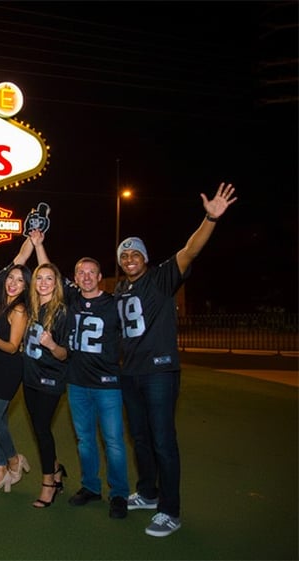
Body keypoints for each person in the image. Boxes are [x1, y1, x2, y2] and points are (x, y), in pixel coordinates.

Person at [116, 182, 237, 537]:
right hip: (131, 373)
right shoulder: (122, 288)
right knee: (139, 437)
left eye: (134, 254)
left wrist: (210, 219)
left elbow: (190, 250)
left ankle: (171, 510)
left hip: (159, 372)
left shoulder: (161, 277)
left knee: (163, 440)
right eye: (123, 256)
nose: (129, 259)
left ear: (145, 258)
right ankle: (149, 493)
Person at [64, 257, 129, 519]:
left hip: (107, 384)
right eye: (82, 273)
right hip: (77, 383)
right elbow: (49, 274)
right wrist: (37, 244)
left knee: (113, 442)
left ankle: (119, 494)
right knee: (85, 441)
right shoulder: (71, 299)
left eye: (92, 272)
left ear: (100, 276)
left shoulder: (114, 304)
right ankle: (91, 486)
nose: (87, 277)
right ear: (76, 278)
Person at [0, 263, 32, 495]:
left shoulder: (19, 309)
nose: (12, 283)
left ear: (26, 285)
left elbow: (12, 347)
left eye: (19, 280)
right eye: (10, 277)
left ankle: (14, 459)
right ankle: (0, 475)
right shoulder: (5, 304)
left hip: (8, 370)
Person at [22, 262, 69, 508]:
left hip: (50, 378)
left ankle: (49, 483)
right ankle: (57, 468)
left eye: (49, 279)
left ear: (56, 283)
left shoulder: (61, 311)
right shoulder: (31, 307)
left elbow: (64, 354)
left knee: (42, 430)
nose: (43, 283)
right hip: (30, 378)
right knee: (39, 429)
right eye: (39, 278)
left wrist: (51, 345)